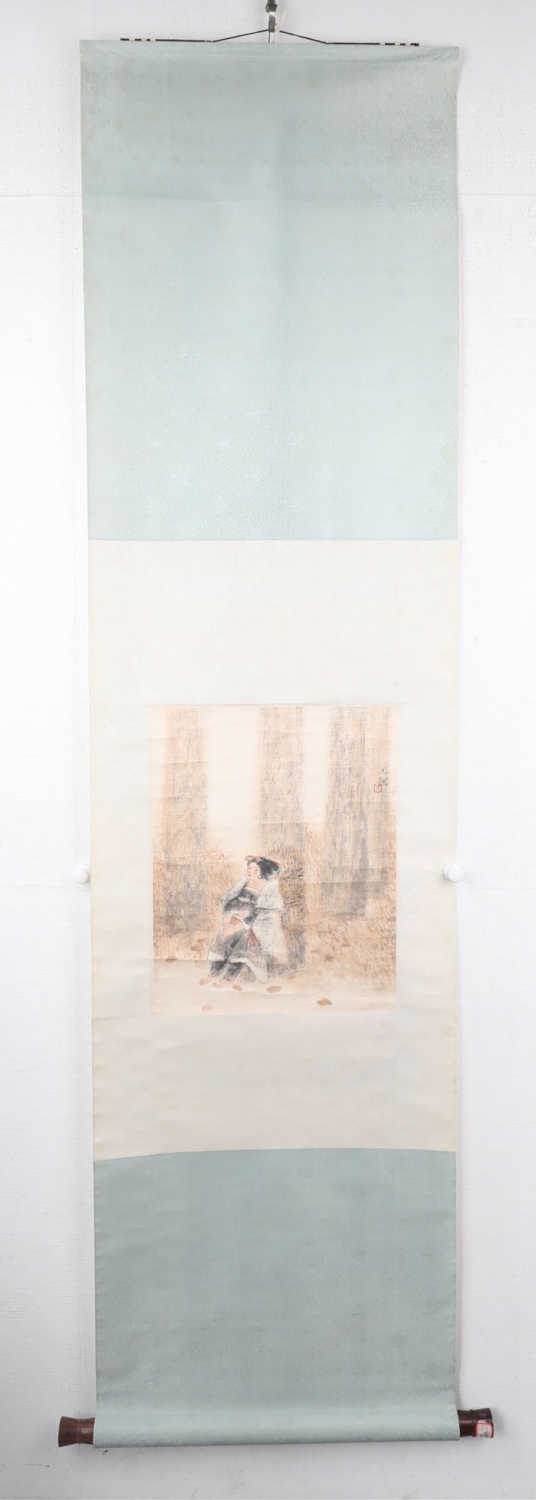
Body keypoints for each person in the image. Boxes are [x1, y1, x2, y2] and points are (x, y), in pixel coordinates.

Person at [201, 856, 288, 987]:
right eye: (249, 868)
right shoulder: (244, 884)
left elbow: (260, 916)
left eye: (255, 870)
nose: (250, 872)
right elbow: (231, 902)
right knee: (223, 936)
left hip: (257, 927)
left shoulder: (268, 889)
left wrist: (240, 925)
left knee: (244, 942)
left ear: (262, 873)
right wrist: (229, 917)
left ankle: (229, 976)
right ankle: (214, 972)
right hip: (240, 919)